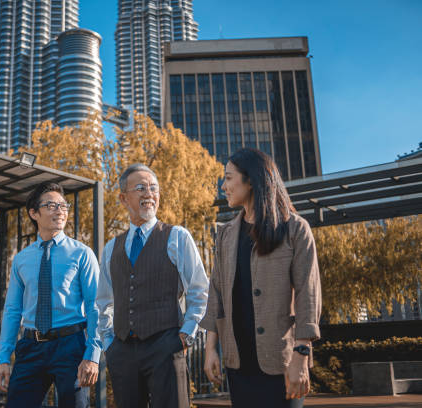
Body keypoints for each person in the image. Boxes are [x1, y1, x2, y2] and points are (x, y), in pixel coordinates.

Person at [201, 148, 322, 408]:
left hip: (283, 362)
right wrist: (211, 347)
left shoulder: (295, 229)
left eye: (229, 178)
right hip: (238, 364)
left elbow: (308, 295)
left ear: (252, 180)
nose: (223, 186)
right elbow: (217, 292)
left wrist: (301, 354)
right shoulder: (225, 234)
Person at [97, 163, 209, 408]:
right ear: (123, 198)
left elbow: (200, 290)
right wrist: (109, 343)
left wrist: (186, 335)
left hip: (166, 346)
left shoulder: (177, 236)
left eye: (153, 188)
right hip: (122, 350)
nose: (149, 194)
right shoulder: (110, 248)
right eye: (140, 188)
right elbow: (103, 302)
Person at [0, 181, 101, 408]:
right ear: (34, 213)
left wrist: (92, 354)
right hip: (30, 346)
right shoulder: (22, 259)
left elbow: (96, 306)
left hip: (71, 346)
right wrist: (3, 358)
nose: (60, 210)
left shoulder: (82, 254)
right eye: (51, 205)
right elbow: (13, 310)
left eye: (63, 205)